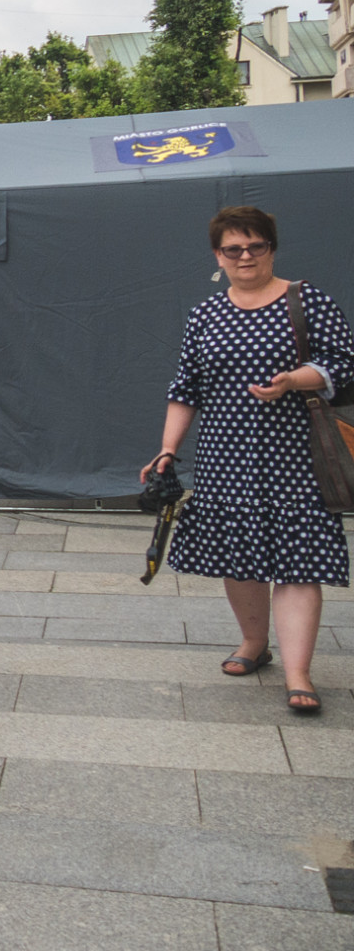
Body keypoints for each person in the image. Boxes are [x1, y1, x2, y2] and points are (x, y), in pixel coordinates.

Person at [141, 206, 353, 716]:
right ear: (218, 255)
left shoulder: (307, 299)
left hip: (296, 455)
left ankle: (299, 673)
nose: (245, 256)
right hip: (225, 456)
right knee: (240, 557)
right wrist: (168, 448)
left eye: (255, 246)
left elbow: (343, 364)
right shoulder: (207, 313)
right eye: (233, 248)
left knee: (299, 561)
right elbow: (184, 388)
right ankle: (255, 644)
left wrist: (292, 380)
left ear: (271, 248)